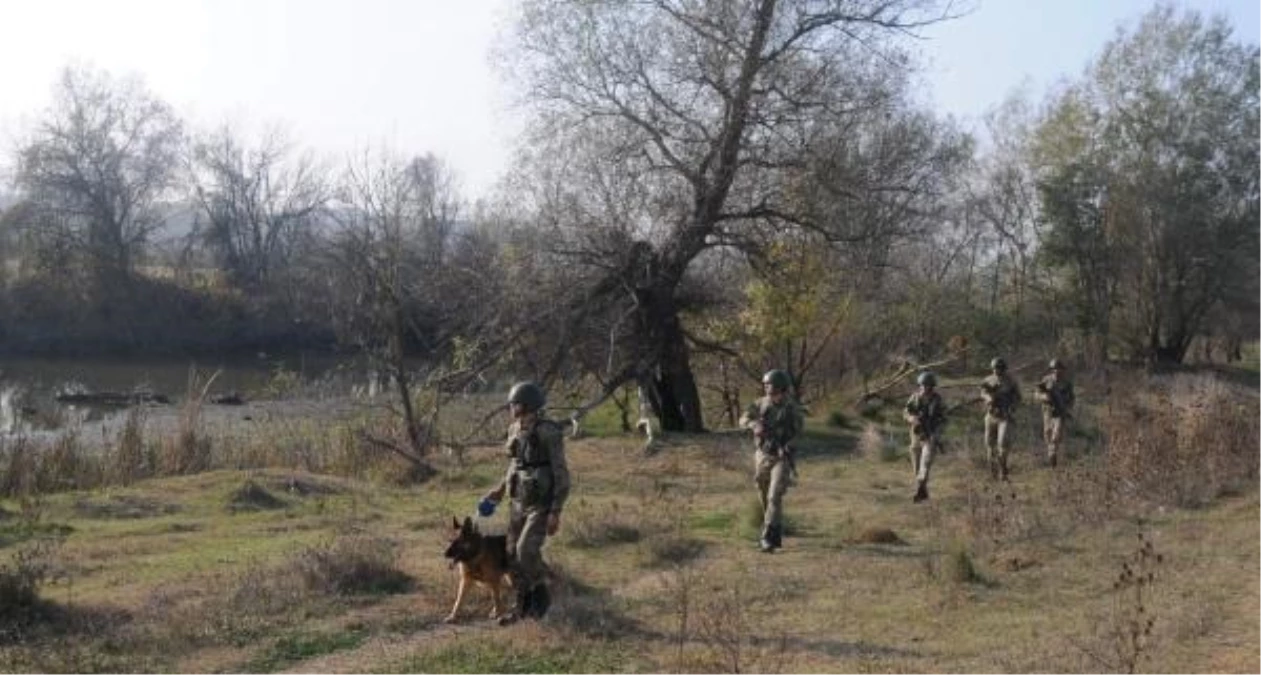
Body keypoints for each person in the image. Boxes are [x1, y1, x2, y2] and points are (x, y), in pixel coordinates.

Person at [482, 381, 570, 624]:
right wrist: (500, 490)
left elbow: (561, 472)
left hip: (541, 504)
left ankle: (543, 600)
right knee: (511, 555)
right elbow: (515, 464)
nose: (511, 407)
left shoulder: (548, 432)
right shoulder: (514, 430)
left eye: (515, 403)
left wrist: (556, 510)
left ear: (527, 405)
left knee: (526, 551)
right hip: (518, 500)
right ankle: (522, 608)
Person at [739, 369, 804, 553]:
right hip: (763, 455)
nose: (766, 387)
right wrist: (754, 425)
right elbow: (743, 418)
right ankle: (774, 527)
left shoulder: (792, 408)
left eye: (770, 384)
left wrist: (789, 446)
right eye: (765, 384)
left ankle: (767, 537)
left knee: (774, 495)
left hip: (782, 457)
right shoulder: (759, 404)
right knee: (762, 488)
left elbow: (799, 433)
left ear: (780, 387)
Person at [904, 371, 946, 503]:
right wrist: (912, 419)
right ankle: (923, 492)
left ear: (932, 386)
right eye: (923, 385)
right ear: (920, 385)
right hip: (916, 437)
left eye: (928, 385)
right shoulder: (915, 398)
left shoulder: (937, 400)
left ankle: (918, 493)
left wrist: (937, 434)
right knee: (917, 469)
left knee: (925, 465)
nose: (925, 388)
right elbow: (905, 412)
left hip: (930, 437)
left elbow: (943, 419)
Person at [980, 357, 1023, 481]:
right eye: (994, 368)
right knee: (989, 446)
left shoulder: (1010, 381)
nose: (996, 370)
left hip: (1005, 416)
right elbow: (982, 393)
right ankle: (993, 473)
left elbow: (1018, 397)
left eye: (999, 368)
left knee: (1002, 444)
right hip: (991, 416)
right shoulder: (987, 380)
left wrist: (1012, 407)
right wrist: (988, 397)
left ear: (1004, 369)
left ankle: (1003, 470)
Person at [1036, 359, 1076, 467]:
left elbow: (1072, 398)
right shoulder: (1046, 380)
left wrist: (1067, 407)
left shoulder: (1067, 383)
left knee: (1056, 435)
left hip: (1060, 412)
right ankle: (1051, 451)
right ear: (1051, 370)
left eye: (1059, 369)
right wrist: (1044, 397)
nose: (1057, 371)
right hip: (1048, 412)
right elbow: (1037, 394)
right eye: (1054, 369)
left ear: (1063, 370)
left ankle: (1053, 452)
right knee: (1047, 433)